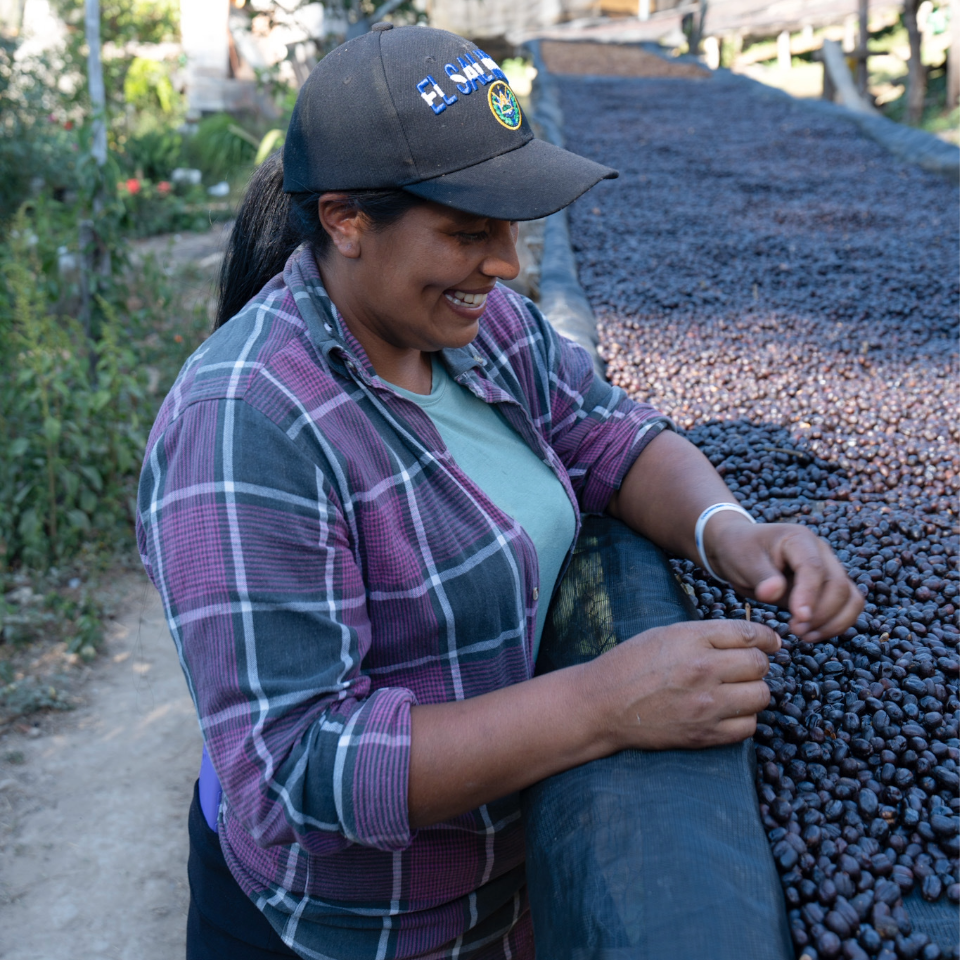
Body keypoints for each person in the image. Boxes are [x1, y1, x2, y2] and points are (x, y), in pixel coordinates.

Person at [136, 23, 864, 960]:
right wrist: (603, 703)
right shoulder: (248, 425)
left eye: (513, 225)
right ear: (346, 220)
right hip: (357, 929)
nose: (509, 263)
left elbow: (608, 433)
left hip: (502, 892)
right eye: (468, 231)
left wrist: (728, 530)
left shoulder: (486, 331)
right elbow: (297, 771)